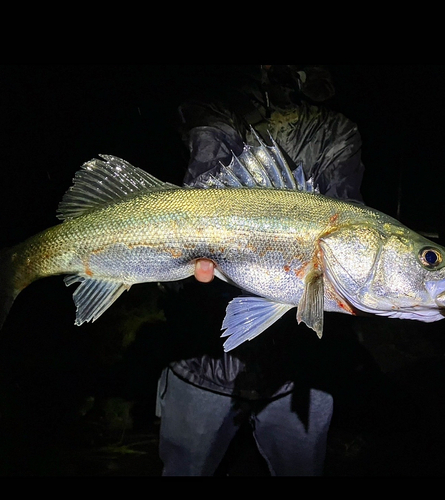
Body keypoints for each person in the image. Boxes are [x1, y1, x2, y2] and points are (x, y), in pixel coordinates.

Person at [156, 65, 365, 476]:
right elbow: (200, 181)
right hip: (200, 357)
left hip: (302, 364)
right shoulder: (211, 109)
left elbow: (347, 221)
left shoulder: (337, 130)